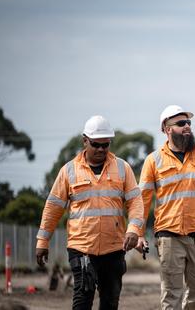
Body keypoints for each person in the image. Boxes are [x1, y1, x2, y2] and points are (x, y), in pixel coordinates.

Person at [36, 115, 144, 310]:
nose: (102, 149)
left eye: (106, 144)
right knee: (82, 299)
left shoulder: (122, 168)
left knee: (110, 302)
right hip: (82, 248)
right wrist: (42, 241)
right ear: (85, 140)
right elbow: (53, 207)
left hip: (113, 249)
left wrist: (134, 229)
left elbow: (136, 201)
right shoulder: (69, 171)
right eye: (96, 144)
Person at [138, 105, 195, 310]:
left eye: (189, 123)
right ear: (166, 129)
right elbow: (141, 200)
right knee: (171, 293)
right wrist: (138, 233)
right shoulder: (154, 160)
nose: (187, 126)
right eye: (181, 123)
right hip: (168, 235)